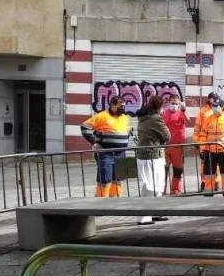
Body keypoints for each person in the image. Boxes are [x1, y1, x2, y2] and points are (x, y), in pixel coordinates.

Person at [81, 96, 130, 198]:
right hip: (105, 153)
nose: (122, 109)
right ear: (112, 105)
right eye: (120, 106)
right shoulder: (102, 116)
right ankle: (101, 201)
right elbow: (85, 126)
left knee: (118, 179)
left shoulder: (124, 118)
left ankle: (116, 199)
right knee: (105, 178)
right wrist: (94, 142)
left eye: (124, 106)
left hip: (121, 153)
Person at [135, 95, 171, 225]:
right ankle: (144, 217)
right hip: (152, 155)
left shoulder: (143, 117)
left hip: (148, 155)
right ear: (159, 106)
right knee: (152, 186)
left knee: (154, 185)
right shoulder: (155, 118)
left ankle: (155, 212)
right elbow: (167, 136)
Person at [193, 98, 224, 195]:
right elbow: (203, 136)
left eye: (216, 106)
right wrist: (202, 149)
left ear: (222, 107)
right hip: (210, 151)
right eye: (213, 106)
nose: (214, 108)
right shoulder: (208, 119)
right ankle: (209, 191)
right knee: (209, 173)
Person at [162, 94, 189, 195]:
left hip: (178, 146)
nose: (174, 105)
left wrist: (184, 110)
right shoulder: (164, 113)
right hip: (165, 146)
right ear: (169, 102)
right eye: (172, 103)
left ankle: (176, 190)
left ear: (179, 103)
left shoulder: (182, 113)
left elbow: (188, 121)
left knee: (177, 170)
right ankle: (163, 190)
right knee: (164, 169)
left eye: (176, 103)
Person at [194, 92, 220, 192]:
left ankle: (216, 182)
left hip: (216, 142)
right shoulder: (203, 111)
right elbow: (197, 127)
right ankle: (204, 183)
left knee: (216, 163)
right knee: (204, 163)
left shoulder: (218, 109)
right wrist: (196, 141)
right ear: (209, 99)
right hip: (204, 141)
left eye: (216, 99)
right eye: (213, 99)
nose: (215, 101)